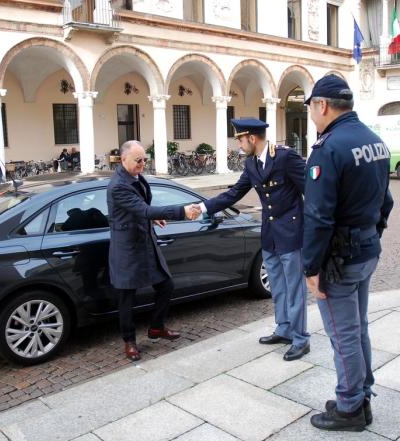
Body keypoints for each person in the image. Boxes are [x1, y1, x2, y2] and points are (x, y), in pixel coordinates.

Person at [303, 74, 394, 432]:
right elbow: (385, 201)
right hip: (366, 251)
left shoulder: (328, 149)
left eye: (311, 107)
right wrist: (372, 234)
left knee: (343, 336)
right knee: (358, 330)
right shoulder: (375, 141)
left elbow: (318, 216)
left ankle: (349, 407)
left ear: (322, 105)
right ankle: (361, 394)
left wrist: (311, 266)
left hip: (339, 261)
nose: (311, 114)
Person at [191, 118, 310, 361]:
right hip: (269, 235)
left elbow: (312, 190)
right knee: (277, 285)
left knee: (294, 288)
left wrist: (315, 230)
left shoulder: (285, 157)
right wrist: (203, 208)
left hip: (291, 233)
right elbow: (233, 193)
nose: (239, 145)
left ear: (252, 138)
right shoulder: (251, 163)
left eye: (240, 139)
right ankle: (284, 328)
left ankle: (300, 338)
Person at [107, 140, 199, 361]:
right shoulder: (118, 185)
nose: (142, 164)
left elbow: (140, 207)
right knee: (127, 297)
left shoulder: (134, 176)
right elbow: (142, 208)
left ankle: (156, 327)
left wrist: (152, 216)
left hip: (145, 242)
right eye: (138, 160)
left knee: (166, 285)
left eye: (144, 160)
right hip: (127, 247)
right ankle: (129, 341)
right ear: (123, 160)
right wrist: (182, 211)